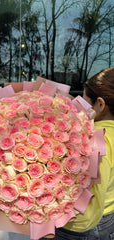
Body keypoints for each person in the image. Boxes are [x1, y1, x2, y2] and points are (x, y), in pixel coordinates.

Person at [40, 67, 114, 240]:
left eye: (85, 99)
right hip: (109, 220)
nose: (79, 104)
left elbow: (86, 209)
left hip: (80, 226)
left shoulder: (93, 139)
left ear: (100, 104)